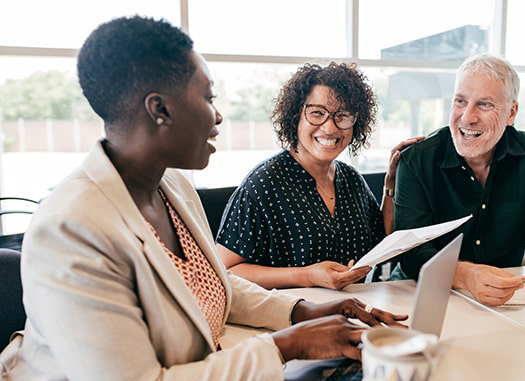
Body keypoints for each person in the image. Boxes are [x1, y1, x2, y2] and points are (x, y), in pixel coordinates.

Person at [0, 16, 409, 381]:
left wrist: (302, 312)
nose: (217, 117)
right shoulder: (71, 228)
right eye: (208, 98)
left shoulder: (172, 185)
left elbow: (213, 281)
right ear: (160, 109)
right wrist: (289, 345)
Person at [390, 53, 525, 309]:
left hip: (504, 297)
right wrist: (467, 275)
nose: (467, 117)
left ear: (511, 112)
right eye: (460, 101)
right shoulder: (417, 160)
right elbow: (412, 251)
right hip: (419, 289)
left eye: (484, 104)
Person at [215, 62, 422, 290]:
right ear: (295, 117)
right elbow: (226, 270)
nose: (330, 128)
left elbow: (382, 238)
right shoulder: (264, 184)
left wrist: (391, 183)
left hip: (352, 310)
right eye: (317, 113)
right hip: (290, 316)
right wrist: (307, 276)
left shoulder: (350, 178)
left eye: (342, 116)